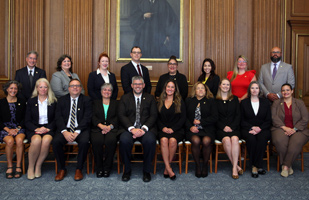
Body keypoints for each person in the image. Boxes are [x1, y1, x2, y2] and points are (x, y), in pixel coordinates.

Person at [118, 76, 157, 182]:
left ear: (144, 85)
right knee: (124, 140)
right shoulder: (125, 98)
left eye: (140, 84)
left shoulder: (150, 98)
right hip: (129, 129)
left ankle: (146, 171)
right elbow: (121, 115)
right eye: (135, 84)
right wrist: (132, 129)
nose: (137, 86)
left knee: (150, 141)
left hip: (145, 129)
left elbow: (153, 115)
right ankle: (127, 170)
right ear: (131, 85)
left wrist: (143, 129)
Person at [52, 79, 92, 181]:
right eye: (72, 86)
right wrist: (64, 131)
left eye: (77, 86)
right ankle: (62, 169)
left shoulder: (86, 100)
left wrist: (77, 131)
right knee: (56, 142)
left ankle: (79, 168)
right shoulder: (61, 100)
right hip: (65, 129)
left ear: (81, 88)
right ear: (69, 89)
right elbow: (58, 117)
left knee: (84, 142)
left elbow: (87, 118)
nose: (75, 88)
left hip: (81, 129)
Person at [271, 83, 309, 177]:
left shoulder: (299, 103)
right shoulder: (276, 103)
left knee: (295, 142)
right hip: (280, 128)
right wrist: (284, 128)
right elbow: (273, 117)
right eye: (283, 90)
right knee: (280, 140)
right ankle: (289, 165)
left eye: (288, 90)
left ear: (292, 91)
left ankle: (285, 166)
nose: (285, 92)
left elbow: (305, 118)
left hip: (299, 129)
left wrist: (294, 129)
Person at [25, 78, 57, 180]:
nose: (43, 89)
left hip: (49, 128)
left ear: (48, 88)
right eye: (41, 87)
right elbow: (27, 120)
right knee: (36, 140)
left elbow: (57, 119)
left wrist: (47, 128)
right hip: (34, 128)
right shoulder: (31, 101)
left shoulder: (53, 101)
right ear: (37, 88)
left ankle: (38, 165)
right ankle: (30, 167)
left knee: (46, 140)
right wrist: (37, 129)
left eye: (45, 87)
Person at [185, 82, 218, 178]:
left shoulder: (211, 101)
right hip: (192, 129)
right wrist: (190, 126)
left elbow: (215, 117)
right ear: (194, 91)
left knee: (206, 141)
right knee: (195, 140)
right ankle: (198, 165)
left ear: (205, 90)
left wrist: (201, 122)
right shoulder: (188, 100)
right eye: (198, 88)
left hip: (207, 129)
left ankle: (205, 165)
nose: (200, 90)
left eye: (202, 88)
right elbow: (184, 117)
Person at [240, 81, 271, 178]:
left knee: (262, 140)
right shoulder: (244, 102)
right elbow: (241, 120)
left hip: (263, 129)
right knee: (252, 140)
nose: (254, 90)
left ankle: (256, 165)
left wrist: (259, 128)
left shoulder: (265, 102)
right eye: (252, 88)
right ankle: (256, 166)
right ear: (249, 90)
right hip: (248, 128)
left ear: (259, 90)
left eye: (256, 88)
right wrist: (252, 127)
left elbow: (268, 120)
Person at [157, 80, 186, 180]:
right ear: (165, 88)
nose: (170, 89)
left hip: (176, 129)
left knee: (173, 141)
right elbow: (156, 117)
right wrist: (163, 128)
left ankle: (167, 168)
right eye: (168, 87)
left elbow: (183, 118)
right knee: (164, 140)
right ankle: (169, 168)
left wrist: (173, 129)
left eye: (172, 87)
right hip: (163, 129)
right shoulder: (160, 100)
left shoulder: (180, 100)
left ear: (175, 89)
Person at [91, 83, 120, 178]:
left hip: (111, 129)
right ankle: (99, 168)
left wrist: (109, 127)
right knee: (97, 141)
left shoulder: (116, 103)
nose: (107, 92)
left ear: (111, 92)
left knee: (110, 141)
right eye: (104, 90)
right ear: (101, 91)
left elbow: (118, 117)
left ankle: (107, 168)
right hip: (98, 128)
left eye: (109, 90)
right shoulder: (95, 102)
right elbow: (92, 116)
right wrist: (101, 126)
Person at [215, 78, 242, 179]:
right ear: (220, 86)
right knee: (226, 140)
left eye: (227, 85)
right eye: (224, 84)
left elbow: (238, 115)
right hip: (220, 129)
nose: (225, 86)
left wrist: (232, 127)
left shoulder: (235, 99)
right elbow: (214, 117)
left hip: (234, 128)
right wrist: (223, 127)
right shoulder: (215, 100)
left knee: (234, 139)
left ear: (230, 87)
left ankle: (234, 167)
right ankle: (236, 166)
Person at [0, 80, 26, 178]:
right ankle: (10, 166)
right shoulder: (1, 102)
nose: (13, 90)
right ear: (7, 89)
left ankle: (19, 166)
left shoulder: (22, 102)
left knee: (19, 140)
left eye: (15, 88)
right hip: (5, 129)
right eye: (11, 88)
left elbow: (25, 118)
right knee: (10, 141)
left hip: (19, 128)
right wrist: (8, 130)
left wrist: (18, 128)